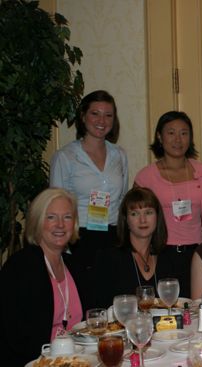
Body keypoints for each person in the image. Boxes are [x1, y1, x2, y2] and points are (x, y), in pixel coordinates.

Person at [49, 90, 128, 307]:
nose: (102, 121)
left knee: (113, 304)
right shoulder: (65, 157)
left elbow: (121, 199)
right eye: (95, 113)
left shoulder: (119, 155)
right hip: (78, 239)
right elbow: (55, 206)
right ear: (83, 116)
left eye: (108, 115)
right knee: (85, 305)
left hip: (113, 238)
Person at [134, 111, 202, 297]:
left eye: (184, 133)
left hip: (197, 254)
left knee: (195, 308)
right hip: (159, 253)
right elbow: (134, 219)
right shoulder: (146, 177)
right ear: (159, 137)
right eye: (171, 133)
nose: (178, 139)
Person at [0, 188, 83, 365]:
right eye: (51, 217)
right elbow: (14, 339)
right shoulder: (20, 268)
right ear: (37, 222)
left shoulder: (75, 266)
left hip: (76, 359)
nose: (60, 225)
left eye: (67, 217)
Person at [93, 187, 179, 308]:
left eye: (148, 212)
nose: (142, 220)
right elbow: (103, 307)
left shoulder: (169, 257)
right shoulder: (108, 258)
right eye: (135, 214)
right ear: (126, 220)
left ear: (157, 217)